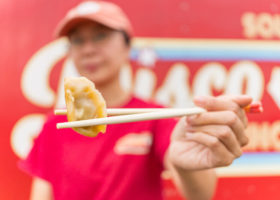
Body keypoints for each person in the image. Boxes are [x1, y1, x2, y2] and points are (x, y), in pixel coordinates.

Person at [19, 1, 253, 200]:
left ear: (127, 47)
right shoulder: (55, 125)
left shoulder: (155, 117)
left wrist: (185, 164)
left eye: (101, 36)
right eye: (78, 41)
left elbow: (200, 195)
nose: (88, 49)